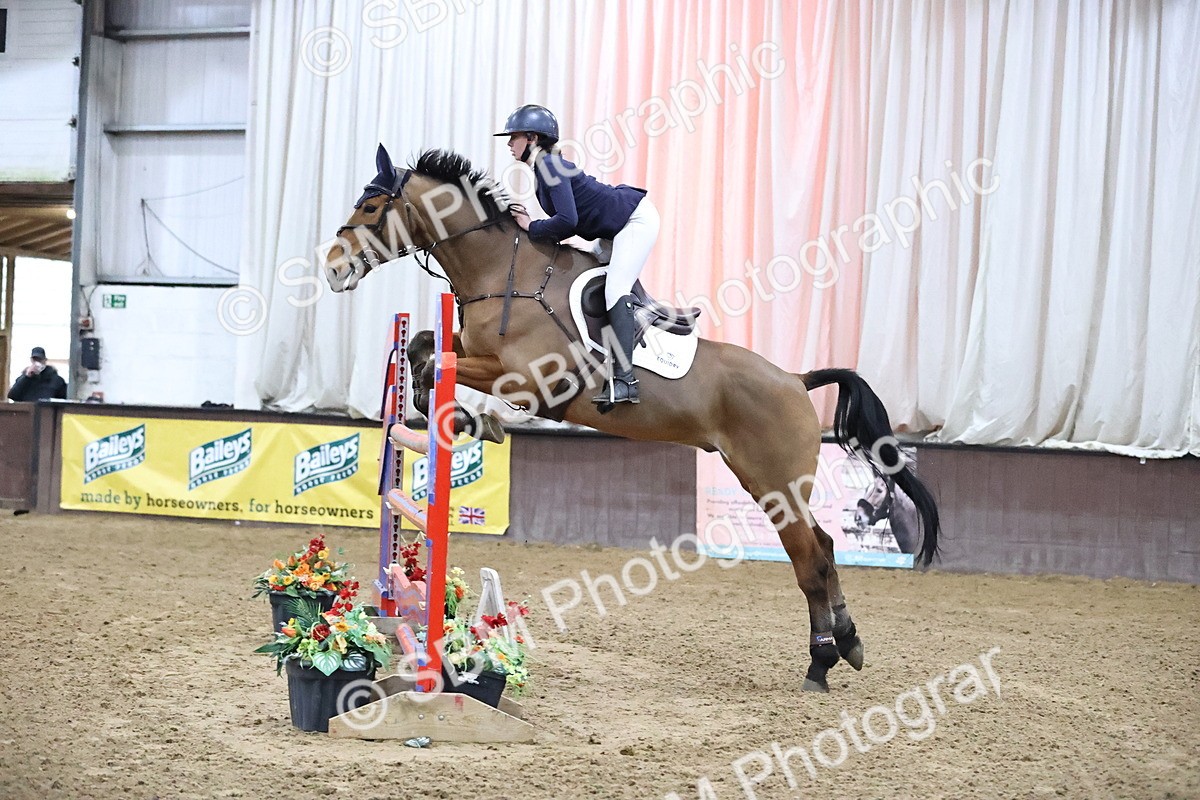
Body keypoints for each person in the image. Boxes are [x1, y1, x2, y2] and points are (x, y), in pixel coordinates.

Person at [495, 104, 660, 406]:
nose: (509, 143)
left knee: (615, 289)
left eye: (514, 137)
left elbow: (568, 221)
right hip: (611, 231)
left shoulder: (548, 166)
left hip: (634, 221)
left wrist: (532, 226)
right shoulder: (544, 166)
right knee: (591, 271)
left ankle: (626, 381)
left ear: (531, 137)